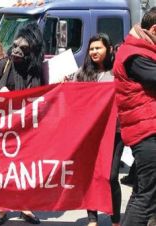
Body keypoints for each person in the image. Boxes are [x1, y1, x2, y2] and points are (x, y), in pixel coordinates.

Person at [0, 23, 44, 225]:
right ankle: (2, 208)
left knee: (24, 170)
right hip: (6, 129)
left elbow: (48, 96)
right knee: (4, 169)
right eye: (15, 46)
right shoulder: (5, 64)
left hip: (29, 129)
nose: (17, 50)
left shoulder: (39, 70)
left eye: (23, 48)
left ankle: (24, 206)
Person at [71, 33, 122, 226]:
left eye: (98, 48)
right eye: (91, 48)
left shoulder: (118, 72)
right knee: (90, 175)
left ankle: (115, 220)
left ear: (108, 49)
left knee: (111, 176)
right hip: (90, 133)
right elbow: (72, 100)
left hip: (115, 132)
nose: (94, 52)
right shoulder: (81, 74)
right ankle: (92, 218)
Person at [113, 7, 156, 226]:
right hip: (148, 133)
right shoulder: (136, 54)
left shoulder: (140, 50)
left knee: (143, 193)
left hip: (147, 130)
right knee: (147, 198)